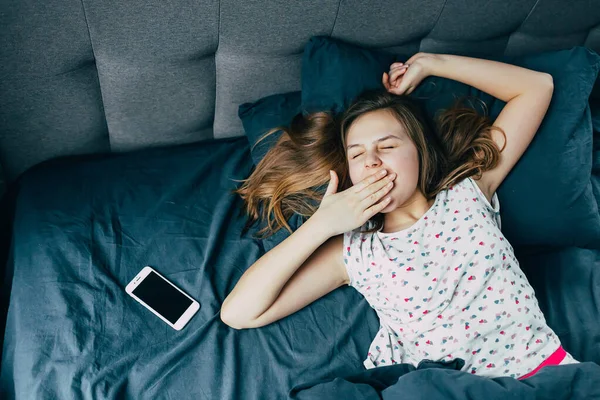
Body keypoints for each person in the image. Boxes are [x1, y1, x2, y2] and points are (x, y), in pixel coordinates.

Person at [221, 52, 579, 379]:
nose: (372, 161)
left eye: (387, 146)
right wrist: (321, 225)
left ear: (420, 151)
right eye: (357, 154)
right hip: (455, 390)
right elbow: (238, 313)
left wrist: (430, 64)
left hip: (546, 377)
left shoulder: (468, 192)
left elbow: (536, 87)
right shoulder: (355, 253)